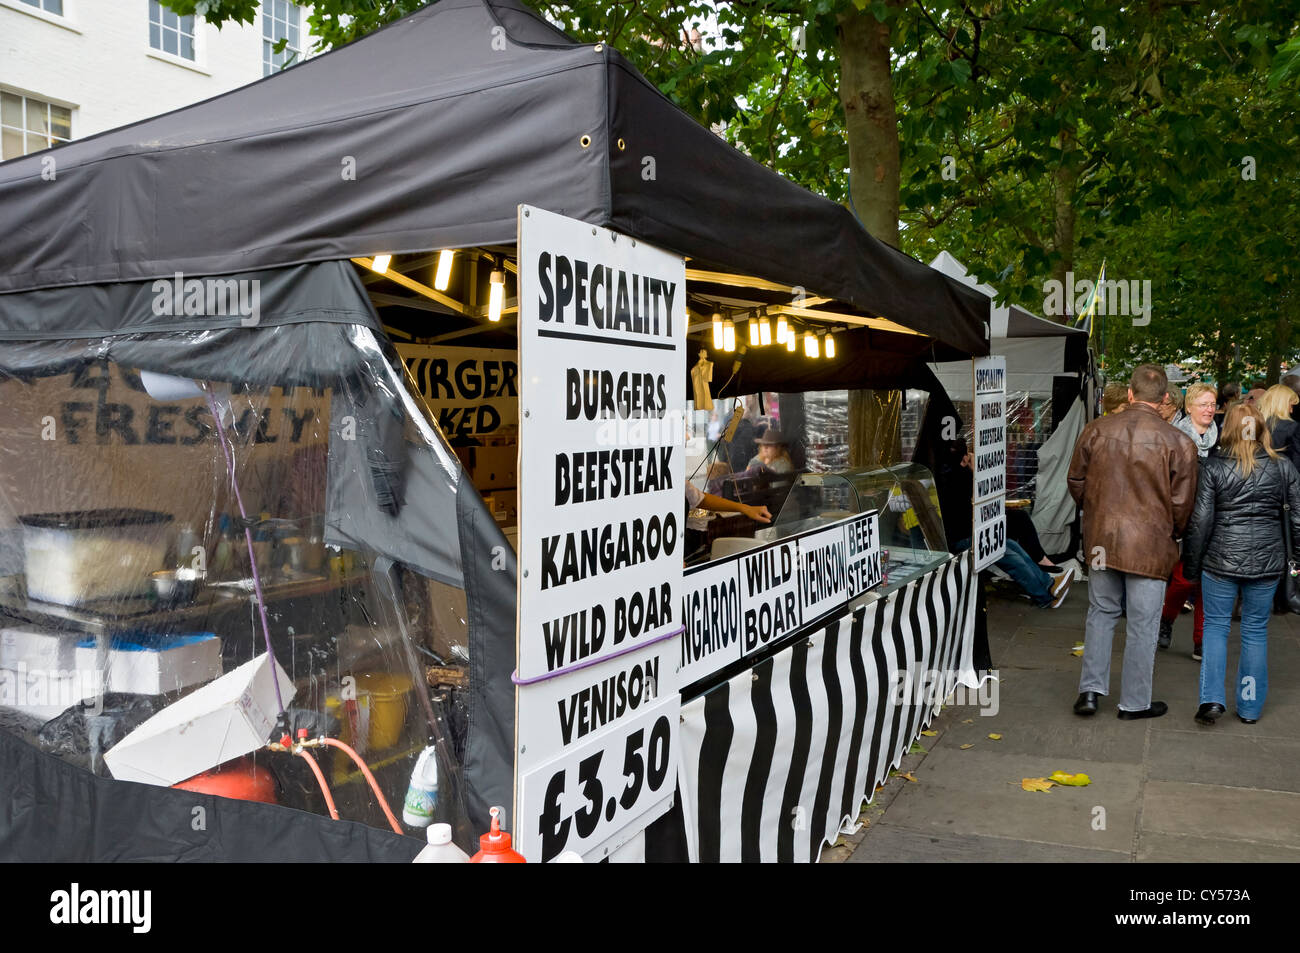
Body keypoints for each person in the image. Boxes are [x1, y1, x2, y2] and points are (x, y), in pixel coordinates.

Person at [1068, 364, 1199, 719]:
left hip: (1101, 538)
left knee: (1101, 613)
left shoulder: (1096, 430)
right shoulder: (1180, 442)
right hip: (1150, 543)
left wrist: (1095, 512)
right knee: (1144, 624)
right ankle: (1134, 702)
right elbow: (1182, 502)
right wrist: (1172, 532)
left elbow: (1076, 481)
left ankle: (1090, 693)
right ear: (1166, 399)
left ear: (1130, 394)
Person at [1182, 402, 1300, 725]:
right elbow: (1299, 520)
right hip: (1267, 561)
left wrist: (1190, 568)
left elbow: (1200, 522)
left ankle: (1211, 700)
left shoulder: (1213, 467)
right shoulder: (1282, 466)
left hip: (1220, 560)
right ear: (1260, 427)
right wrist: (1297, 562)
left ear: (1229, 428)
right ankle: (1249, 707)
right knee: (1255, 631)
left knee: (1216, 627)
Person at [1157, 383, 1218, 657]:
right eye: (1204, 404)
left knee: (1208, 580)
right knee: (1183, 579)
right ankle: (1165, 620)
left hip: (1215, 517)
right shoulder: (1174, 438)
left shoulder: (1222, 438)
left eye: (1213, 403)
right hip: (1184, 518)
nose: (1210, 409)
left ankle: (1200, 641)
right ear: (1189, 407)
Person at [1259, 383, 1300, 471]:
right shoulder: (1293, 427)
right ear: (1283, 404)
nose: (1291, 410)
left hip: (1257, 476)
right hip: (1284, 477)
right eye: (1291, 405)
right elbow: (1297, 461)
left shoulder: (1254, 423)